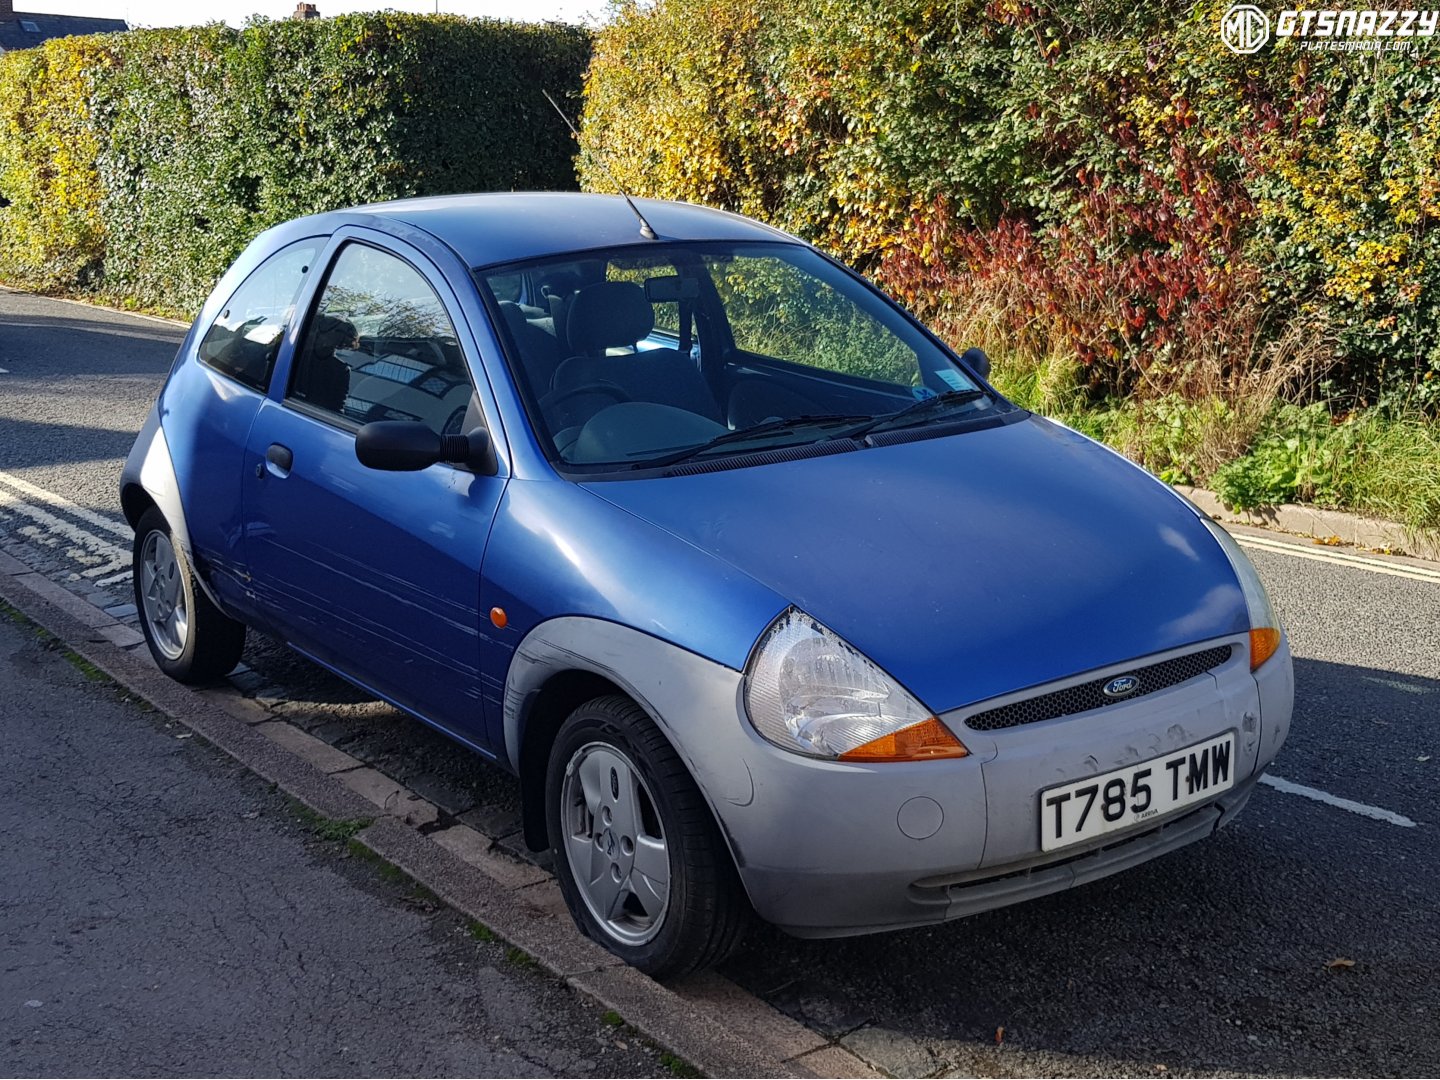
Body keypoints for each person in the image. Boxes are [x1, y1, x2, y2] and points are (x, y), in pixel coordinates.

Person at [294, 315, 357, 413]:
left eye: (341, 336)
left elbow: (337, 409)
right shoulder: (296, 355)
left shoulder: (341, 370)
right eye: (336, 332)